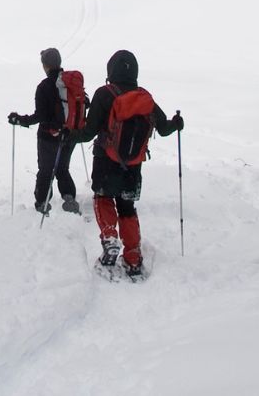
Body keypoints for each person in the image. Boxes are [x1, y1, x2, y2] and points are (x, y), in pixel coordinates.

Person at [74, 48, 181, 277]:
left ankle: (110, 238)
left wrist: (69, 133)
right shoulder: (145, 97)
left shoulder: (104, 94)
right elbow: (163, 129)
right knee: (127, 207)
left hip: (105, 161)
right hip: (133, 166)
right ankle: (133, 257)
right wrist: (177, 123)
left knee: (102, 198)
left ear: (110, 70)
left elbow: (87, 133)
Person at [7, 47, 81, 216]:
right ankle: (69, 197)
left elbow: (39, 115)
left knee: (46, 170)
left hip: (49, 136)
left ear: (45, 65)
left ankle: (42, 204)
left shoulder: (44, 86)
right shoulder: (71, 82)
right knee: (63, 168)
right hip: (70, 134)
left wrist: (19, 120)